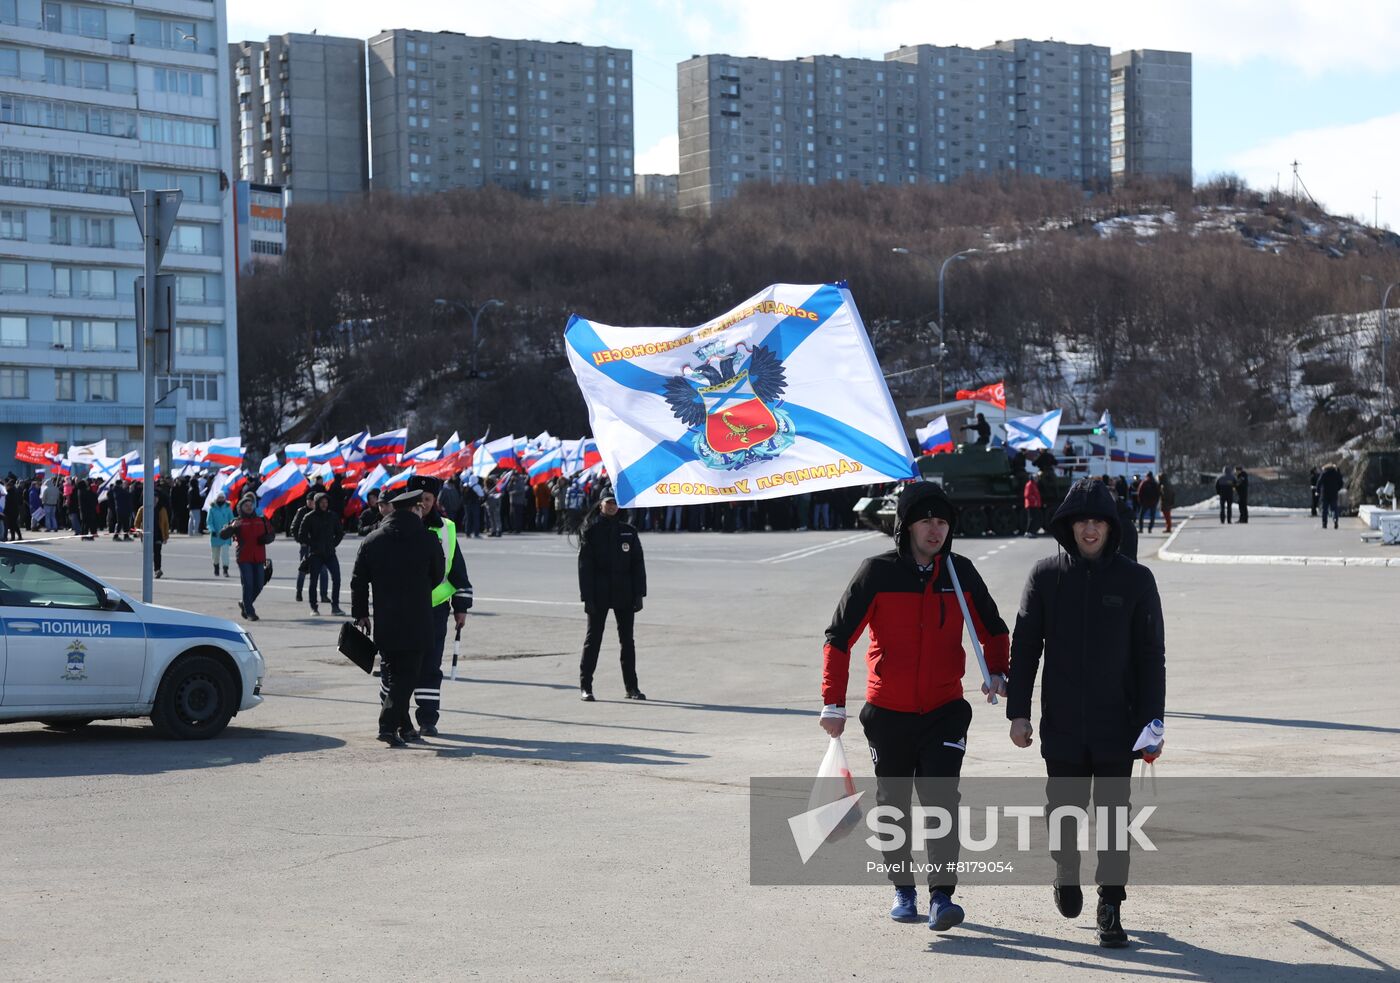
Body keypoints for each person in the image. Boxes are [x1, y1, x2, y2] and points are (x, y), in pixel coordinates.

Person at [820, 481, 1010, 931]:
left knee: (942, 800)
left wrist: (998, 670)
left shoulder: (959, 574)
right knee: (894, 804)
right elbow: (839, 637)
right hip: (888, 712)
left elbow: (994, 627)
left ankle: (943, 897)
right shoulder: (877, 573)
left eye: (942, 521)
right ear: (906, 525)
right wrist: (833, 701)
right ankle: (903, 888)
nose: (935, 529)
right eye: (926, 520)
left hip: (945, 708)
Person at [1006, 476, 1165, 949]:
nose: (1090, 529)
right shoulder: (1046, 576)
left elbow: (1150, 657)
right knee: (1065, 812)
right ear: (1068, 526)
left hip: (1119, 723)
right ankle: (1066, 869)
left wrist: (1153, 721)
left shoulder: (1136, 580)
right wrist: (1018, 712)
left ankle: (1111, 905)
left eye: (1098, 521)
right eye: (1082, 521)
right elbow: (1026, 648)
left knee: (1116, 817)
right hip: (1064, 724)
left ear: (1111, 526)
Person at [351, 488, 445, 748]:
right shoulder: (427, 539)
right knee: (408, 676)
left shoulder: (372, 539)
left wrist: (360, 613)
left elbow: (358, 581)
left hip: (386, 619)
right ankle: (388, 724)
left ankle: (405, 728)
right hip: (418, 618)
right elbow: (438, 575)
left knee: (395, 676)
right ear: (414, 509)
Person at [403, 476, 473, 736]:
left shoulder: (446, 529)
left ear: (435, 501)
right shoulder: (394, 526)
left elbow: (458, 570)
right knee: (400, 665)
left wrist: (461, 606)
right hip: (402, 609)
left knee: (430, 665)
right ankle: (395, 717)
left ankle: (428, 719)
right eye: (418, 500)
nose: (422, 505)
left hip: (435, 609)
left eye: (427, 500)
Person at [577, 492, 647, 701]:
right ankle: (586, 686)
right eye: (609, 502)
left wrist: (639, 594)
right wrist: (586, 597)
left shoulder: (629, 531)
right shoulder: (591, 531)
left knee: (627, 641)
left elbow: (638, 564)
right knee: (593, 640)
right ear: (601, 504)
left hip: (624, 592)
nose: (613, 506)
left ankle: (631, 687)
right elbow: (584, 567)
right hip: (599, 593)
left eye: (616, 502)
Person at [220, 493, 275, 621]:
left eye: (251, 505)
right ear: (241, 508)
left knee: (259, 584)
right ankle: (250, 612)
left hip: (259, 557)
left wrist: (267, 538)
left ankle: (244, 603)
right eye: (246, 505)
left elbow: (272, 533)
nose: (249, 507)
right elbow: (223, 535)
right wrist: (231, 527)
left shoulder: (261, 520)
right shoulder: (237, 521)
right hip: (244, 557)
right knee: (248, 584)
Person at [297, 491, 345, 616]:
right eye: (322, 502)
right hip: (315, 554)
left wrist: (333, 544)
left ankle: (335, 607)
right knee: (313, 581)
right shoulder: (309, 517)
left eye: (326, 502)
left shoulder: (332, 516)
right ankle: (314, 607)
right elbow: (301, 534)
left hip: (330, 553)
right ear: (317, 503)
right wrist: (312, 544)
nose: (324, 504)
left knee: (337, 579)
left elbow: (340, 532)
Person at [133, 483, 171, 578]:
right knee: (148, 554)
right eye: (153, 498)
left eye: (156, 498)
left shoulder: (162, 509)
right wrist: (138, 531)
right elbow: (136, 523)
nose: (154, 500)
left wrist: (166, 536)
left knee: (157, 553)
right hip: (146, 535)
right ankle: (147, 571)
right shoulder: (142, 509)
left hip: (158, 535)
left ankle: (157, 570)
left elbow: (166, 524)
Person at [207, 493, 234, 576]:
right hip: (215, 535)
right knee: (215, 554)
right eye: (219, 498)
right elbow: (209, 522)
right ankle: (216, 567)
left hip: (225, 534)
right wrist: (212, 530)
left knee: (225, 553)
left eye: (222, 498)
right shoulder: (212, 509)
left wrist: (231, 530)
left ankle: (225, 569)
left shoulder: (228, 508)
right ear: (216, 499)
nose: (221, 499)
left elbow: (232, 520)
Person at [1317, 463, 1344, 530]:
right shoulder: (1336, 473)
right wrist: (1337, 489)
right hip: (1333, 494)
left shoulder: (1324, 473)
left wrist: (1318, 491)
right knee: (1334, 509)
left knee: (1325, 510)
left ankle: (1324, 523)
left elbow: (1319, 482)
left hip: (1325, 493)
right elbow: (1341, 483)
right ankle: (1335, 520)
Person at [1023, 473, 1043, 537]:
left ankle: (1032, 532)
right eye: (1036, 478)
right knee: (1032, 519)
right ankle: (1029, 532)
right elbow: (1027, 495)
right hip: (1031, 504)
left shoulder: (1034, 485)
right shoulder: (1029, 484)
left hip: (1034, 504)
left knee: (1034, 519)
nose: (1037, 479)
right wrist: (1035, 500)